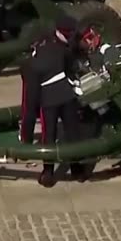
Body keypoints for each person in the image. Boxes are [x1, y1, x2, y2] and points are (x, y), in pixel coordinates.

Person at [25, 15, 85, 188]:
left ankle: (48, 172)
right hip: (67, 95)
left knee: (48, 135)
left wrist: (27, 136)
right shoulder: (63, 50)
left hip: (49, 99)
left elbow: (31, 99)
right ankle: (76, 168)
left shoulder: (35, 63)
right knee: (72, 131)